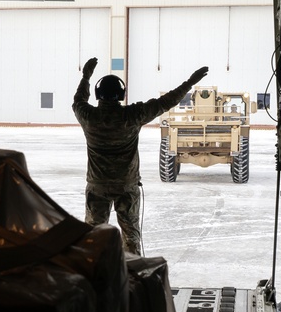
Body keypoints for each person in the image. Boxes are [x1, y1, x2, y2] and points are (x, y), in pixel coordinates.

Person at [73, 57, 208, 255]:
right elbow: (165, 102)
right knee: (131, 238)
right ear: (121, 94)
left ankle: (94, 278)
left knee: (93, 237)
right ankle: (133, 277)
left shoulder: (88, 116)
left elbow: (78, 100)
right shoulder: (132, 115)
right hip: (127, 185)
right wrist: (189, 83)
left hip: (97, 185)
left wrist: (86, 76)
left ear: (98, 94)